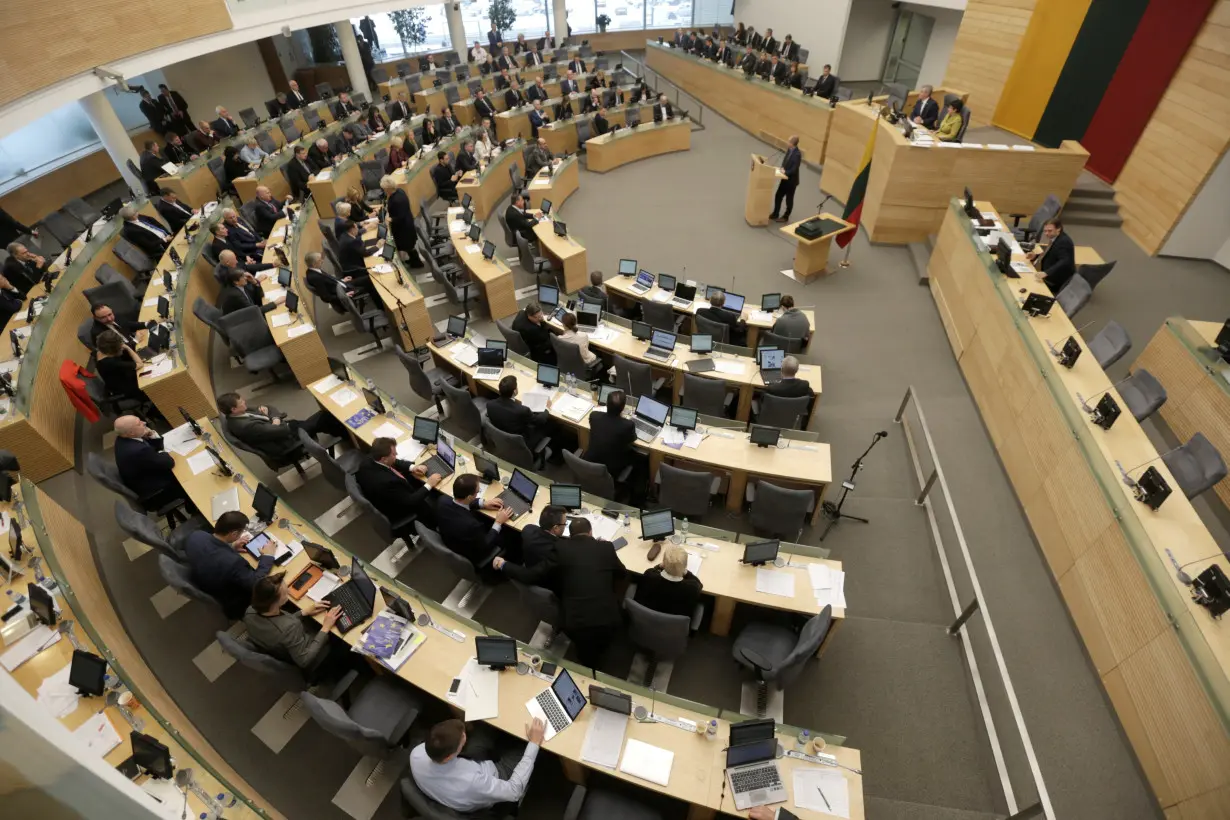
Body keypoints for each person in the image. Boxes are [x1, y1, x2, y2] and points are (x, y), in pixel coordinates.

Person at [495, 517, 626, 671]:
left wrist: (504, 564)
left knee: (585, 653)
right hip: (608, 619)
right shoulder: (606, 548)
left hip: (574, 623)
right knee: (602, 647)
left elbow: (531, 575)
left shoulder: (560, 548)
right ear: (591, 532)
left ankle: (587, 665)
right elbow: (622, 574)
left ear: (570, 535)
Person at [409, 717, 544, 813]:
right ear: (450, 756)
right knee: (527, 748)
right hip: (493, 776)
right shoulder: (472, 782)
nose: (465, 736)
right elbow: (514, 791)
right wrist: (534, 743)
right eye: (463, 739)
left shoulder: (417, 754)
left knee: (487, 721)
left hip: (469, 763)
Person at [184, 511, 275, 620]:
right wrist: (268, 555)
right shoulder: (233, 563)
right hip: (235, 601)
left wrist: (231, 547)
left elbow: (210, 552)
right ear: (234, 534)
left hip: (206, 579)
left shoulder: (196, 536)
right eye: (241, 532)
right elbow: (256, 583)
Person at [218, 392, 345, 462]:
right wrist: (275, 420)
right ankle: (346, 435)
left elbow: (268, 407)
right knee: (324, 417)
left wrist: (274, 419)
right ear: (233, 409)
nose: (245, 402)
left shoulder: (239, 413)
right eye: (241, 403)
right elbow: (281, 430)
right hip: (286, 441)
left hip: (280, 430)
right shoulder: (245, 426)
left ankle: (338, 432)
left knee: (322, 419)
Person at [356, 437, 443, 536]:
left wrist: (413, 467)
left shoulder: (369, 460)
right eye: (393, 454)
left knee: (415, 478)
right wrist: (429, 484)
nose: (396, 455)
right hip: (401, 509)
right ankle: (435, 527)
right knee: (439, 501)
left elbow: (394, 462)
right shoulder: (386, 483)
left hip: (393, 492)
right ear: (384, 459)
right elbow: (410, 501)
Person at [113, 415, 193, 520]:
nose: (144, 423)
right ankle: (194, 509)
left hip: (145, 478)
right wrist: (163, 454)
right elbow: (169, 463)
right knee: (191, 475)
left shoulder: (123, 439)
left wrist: (152, 436)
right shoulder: (137, 451)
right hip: (158, 491)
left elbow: (155, 449)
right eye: (139, 423)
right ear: (131, 432)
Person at [436, 474, 512, 566]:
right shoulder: (471, 525)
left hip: (454, 539)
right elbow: (485, 545)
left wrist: (483, 503)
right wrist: (498, 522)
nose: (478, 493)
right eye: (477, 491)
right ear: (469, 497)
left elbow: (459, 504)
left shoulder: (442, 500)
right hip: (476, 553)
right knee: (510, 533)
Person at [634, 543, 703, 618]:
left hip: (644, 621)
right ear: (685, 566)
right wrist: (685, 572)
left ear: (663, 563)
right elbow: (699, 584)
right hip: (674, 628)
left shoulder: (649, 575)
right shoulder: (692, 588)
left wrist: (659, 566)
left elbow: (654, 570)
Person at [583, 389, 637, 481]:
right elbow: (632, 439)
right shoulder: (628, 425)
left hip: (590, 462)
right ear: (623, 407)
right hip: (612, 470)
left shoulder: (594, 416)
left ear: (607, 404)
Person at [487, 375, 553, 449]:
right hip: (523, 442)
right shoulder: (522, 410)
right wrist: (546, 408)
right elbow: (540, 420)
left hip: (501, 438)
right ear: (515, 391)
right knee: (550, 425)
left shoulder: (490, 405)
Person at [94, 330, 148, 405]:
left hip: (119, 379)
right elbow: (140, 364)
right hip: (128, 389)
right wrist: (127, 347)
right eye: (121, 346)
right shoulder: (111, 363)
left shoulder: (100, 352)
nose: (122, 347)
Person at [381, 176, 424, 269]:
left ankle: (417, 263)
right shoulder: (399, 191)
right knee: (408, 246)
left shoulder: (397, 200)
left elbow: (400, 217)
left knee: (407, 246)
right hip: (406, 224)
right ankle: (413, 260)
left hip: (403, 228)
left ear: (388, 188)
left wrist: (390, 219)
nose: (384, 191)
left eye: (384, 189)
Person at [1031, 219, 1076, 294]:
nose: (1046, 233)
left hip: (1056, 280)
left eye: (1049, 231)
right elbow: (1050, 253)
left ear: (1058, 229)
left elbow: (1064, 261)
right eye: (1045, 231)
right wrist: (1035, 256)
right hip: (1048, 273)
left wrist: (1046, 273)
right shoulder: (1055, 237)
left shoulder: (1064, 242)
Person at [769, 135, 802, 223]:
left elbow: (794, 169)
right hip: (784, 179)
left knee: (789, 199)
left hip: (791, 181)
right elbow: (785, 160)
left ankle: (786, 216)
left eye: (788, 142)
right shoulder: (789, 150)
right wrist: (782, 168)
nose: (787, 143)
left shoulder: (797, 154)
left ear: (792, 144)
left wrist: (785, 172)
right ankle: (775, 213)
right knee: (778, 195)